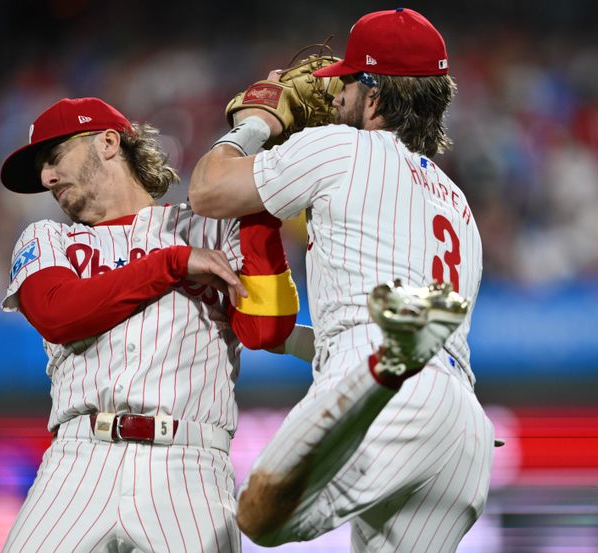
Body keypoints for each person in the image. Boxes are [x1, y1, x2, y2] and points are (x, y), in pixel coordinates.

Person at [188, 8, 495, 553]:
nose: (336, 98)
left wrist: (259, 122)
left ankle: (386, 368)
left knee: (259, 514)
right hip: (464, 430)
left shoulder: (341, 148)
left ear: (374, 95)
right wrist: (291, 340)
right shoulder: (460, 206)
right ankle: (389, 363)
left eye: (347, 84)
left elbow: (208, 190)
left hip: (392, 382)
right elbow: (357, 322)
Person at [0, 96, 299, 552]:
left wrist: (258, 192)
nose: (46, 178)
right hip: (78, 462)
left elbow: (267, 330)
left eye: (54, 157)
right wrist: (173, 263)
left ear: (107, 142)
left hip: (190, 467)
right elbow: (60, 314)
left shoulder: (209, 228)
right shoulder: (49, 237)